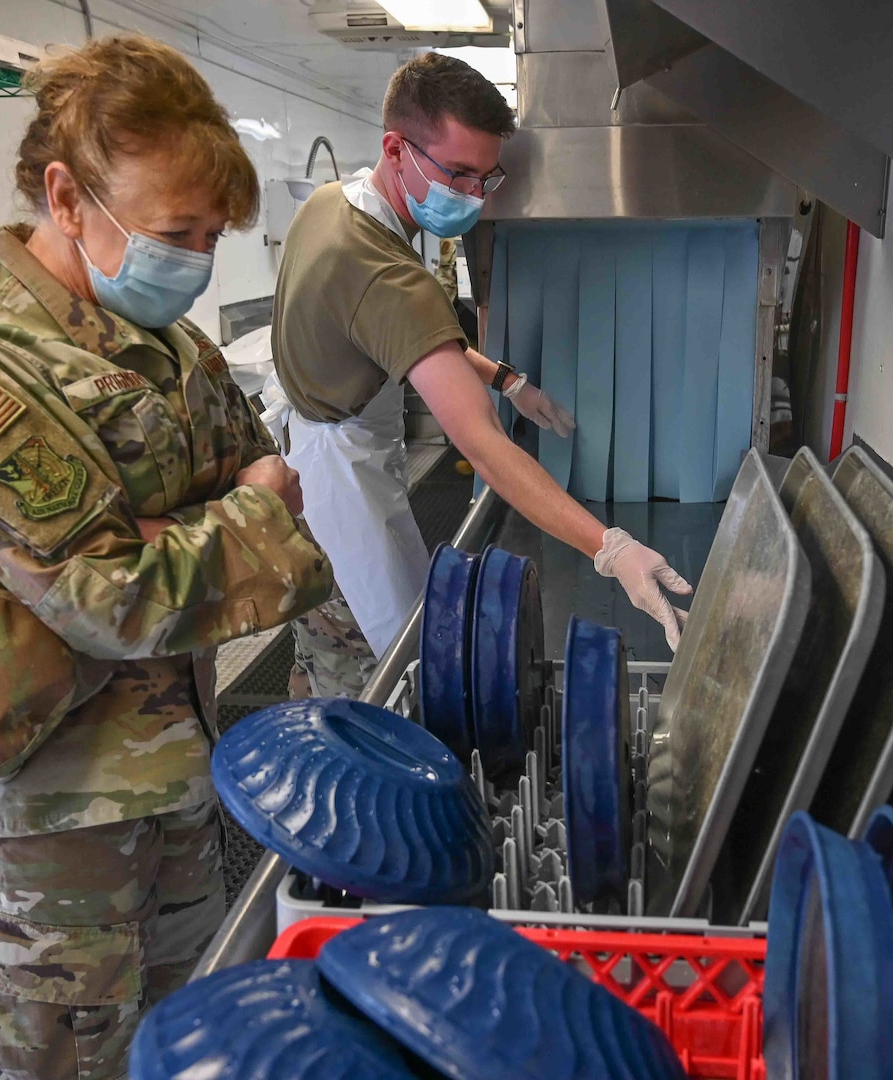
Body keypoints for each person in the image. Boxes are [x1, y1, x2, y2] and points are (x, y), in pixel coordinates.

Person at [0, 36, 332, 1080]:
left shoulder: (168, 349)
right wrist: (193, 535)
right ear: (65, 196)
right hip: (43, 831)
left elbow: (268, 482)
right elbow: (113, 603)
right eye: (170, 232)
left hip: (174, 780)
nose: (190, 259)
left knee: (174, 1048)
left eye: (208, 235)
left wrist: (157, 543)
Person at [266, 53, 693, 699]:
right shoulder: (389, 275)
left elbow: (388, 333)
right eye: (457, 174)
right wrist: (609, 547)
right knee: (378, 681)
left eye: (485, 179)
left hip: (304, 473)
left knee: (324, 646)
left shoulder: (331, 205)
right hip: (338, 496)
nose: (469, 195)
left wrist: (504, 378)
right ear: (395, 147)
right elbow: (482, 444)